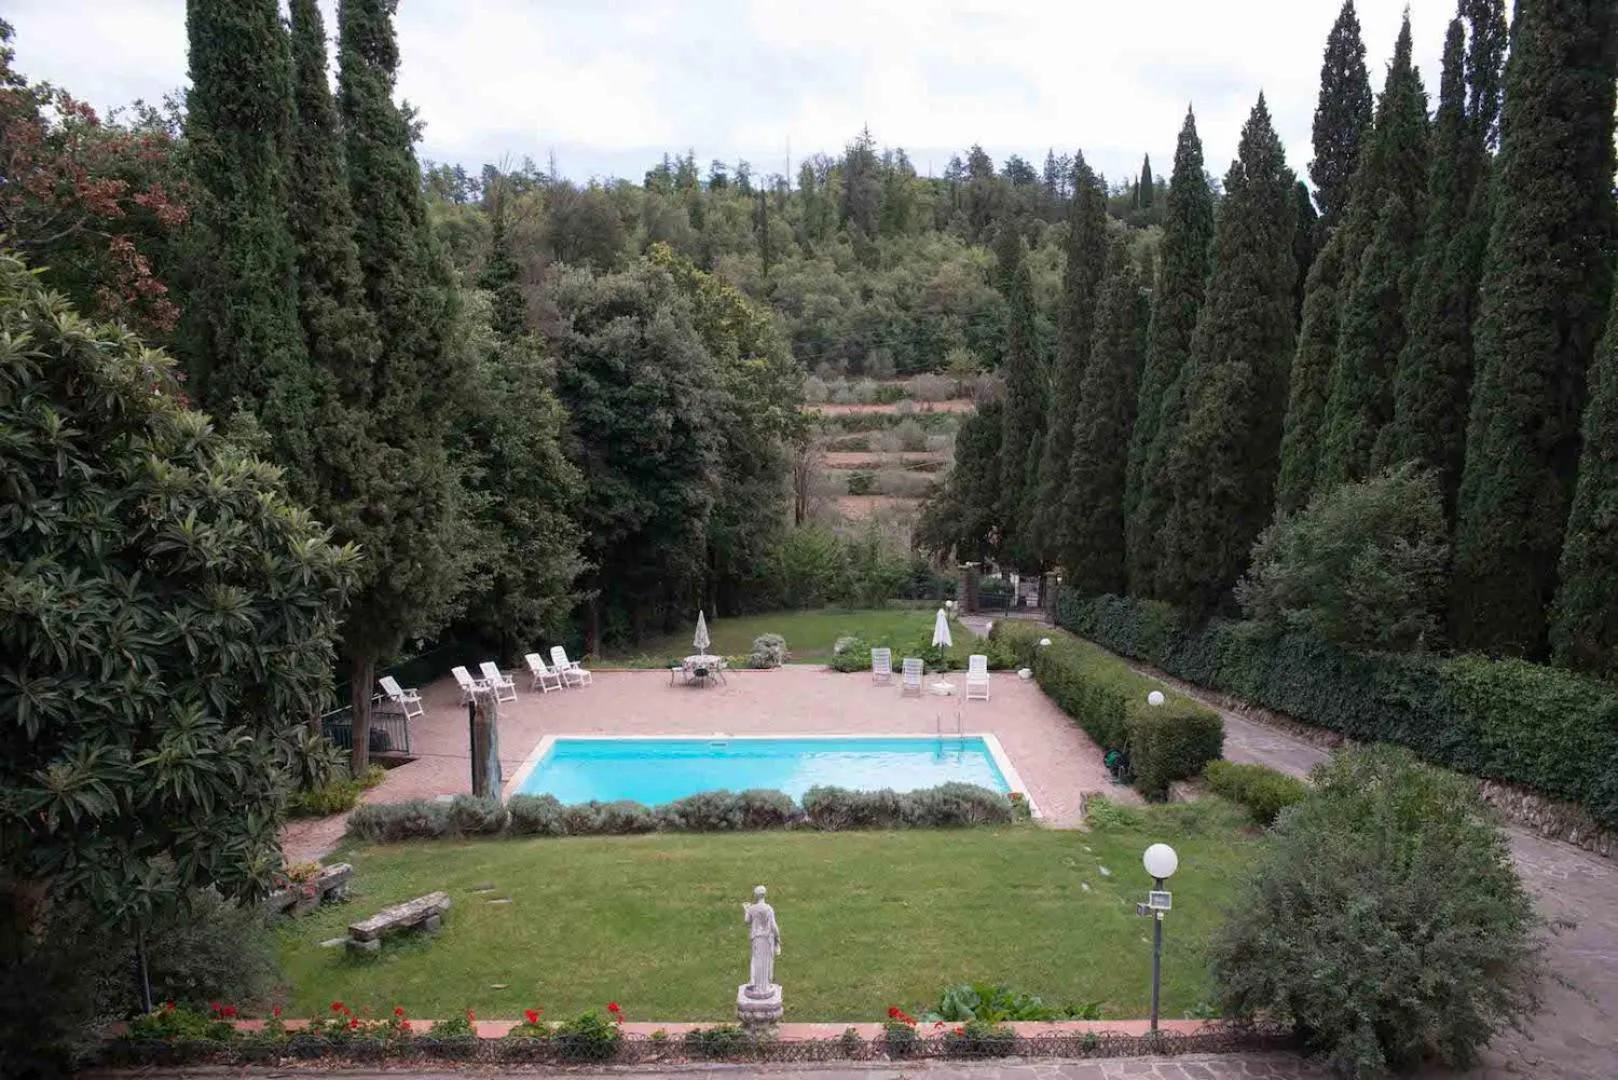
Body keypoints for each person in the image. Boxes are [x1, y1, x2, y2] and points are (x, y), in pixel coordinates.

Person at [742, 885, 781, 992]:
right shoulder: (768, 909)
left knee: (756, 960)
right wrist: (778, 939)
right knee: (766, 961)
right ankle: (765, 986)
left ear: (756, 895)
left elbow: (747, 921)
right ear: (765, 895)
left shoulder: (752, 909)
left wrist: (746, 909)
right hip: (767, 938)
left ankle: (755, 984)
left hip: (756, 938)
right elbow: (773, 926)